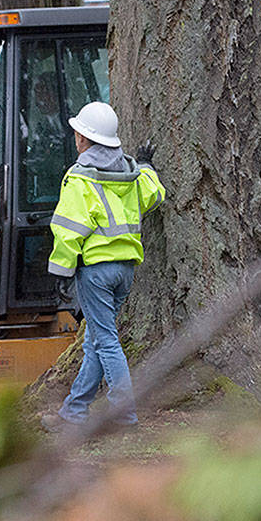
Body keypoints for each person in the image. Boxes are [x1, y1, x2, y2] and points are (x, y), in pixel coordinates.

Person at [42, 101, 165, 430]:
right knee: (96, 340)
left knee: (106, 341)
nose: (76, 139)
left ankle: (124, 416)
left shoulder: (80, 177)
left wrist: (60, 270)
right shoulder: (130, 171)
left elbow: (68, 229)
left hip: (95, 271)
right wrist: (148, 165)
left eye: (78, 133)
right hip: (125, 270)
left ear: (85, 138)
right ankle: (74, 412)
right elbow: (153, 194)